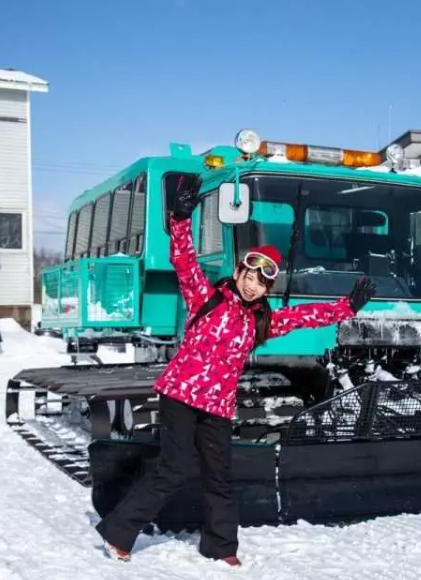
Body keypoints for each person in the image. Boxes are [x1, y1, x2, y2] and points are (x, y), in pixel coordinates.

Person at [95, 182, 376, 566]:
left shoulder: (262, 321)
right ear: (240, 269)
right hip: (180, 396)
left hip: (217, 406)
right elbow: (183, 259)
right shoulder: (205, 297)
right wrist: (180, 218)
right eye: (249, 273)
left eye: (262, 281)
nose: (253, 282)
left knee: (220, 476)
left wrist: (346, 307)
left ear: (266, 287)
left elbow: (305, 317)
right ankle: (118, 533)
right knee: (175, 469)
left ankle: (221, 546)